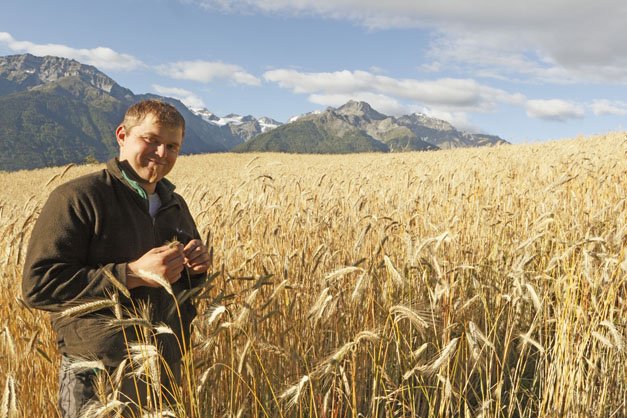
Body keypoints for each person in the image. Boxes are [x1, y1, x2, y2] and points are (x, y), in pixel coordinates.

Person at [22, 100, 210, 416]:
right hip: (99, 370)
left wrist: (195, 269)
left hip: (164, 364)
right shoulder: (78, 198)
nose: (162, 154)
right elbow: (38, 285)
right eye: (151, 140)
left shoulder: (174, 204)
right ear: (122, 135)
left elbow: (180, 286)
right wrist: (131, 273)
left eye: (172, 146)